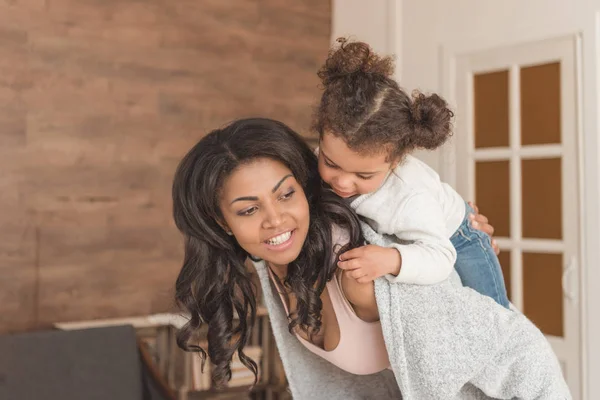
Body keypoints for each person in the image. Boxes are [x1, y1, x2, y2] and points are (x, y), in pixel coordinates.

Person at [172, 118, 570, 399]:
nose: (275, 219)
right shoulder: (272, 261)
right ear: (220, 223)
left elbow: (519, 351)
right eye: (247, 210)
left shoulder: (360, 273)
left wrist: (458, 233)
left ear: (304, 188)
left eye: (286, 194)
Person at [314, 38, 510, 308]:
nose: (342, 182)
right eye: (331, 163)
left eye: (364, 176)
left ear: (395, 162)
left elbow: (441, 257)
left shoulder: (410, 196)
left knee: (493, 312)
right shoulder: (323, 157)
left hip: (462, 238)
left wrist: (392, 259)